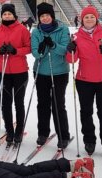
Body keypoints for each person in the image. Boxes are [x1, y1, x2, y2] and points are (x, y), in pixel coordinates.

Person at [65, 6, 102, 157]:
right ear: (82, 20)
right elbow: (71, 60)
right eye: (86, 17)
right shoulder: (76, 37)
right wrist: (71, 50)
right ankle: (89, 140)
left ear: (96, 19)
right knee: (86, 112)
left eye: (92, 17)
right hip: (84, 80)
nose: (89, 19)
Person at [31, 2, 72, 149]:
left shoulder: (63, 29)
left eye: (47, 15)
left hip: (59, 72)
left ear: (52, 16)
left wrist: (53, 45)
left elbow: (64, 51)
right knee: (42, 104)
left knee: (58, 104)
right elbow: (36, 53)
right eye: (42, 16)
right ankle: (43, 133)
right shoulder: (36, 32)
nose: (45, 18)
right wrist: (42, 48)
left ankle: (63, 135)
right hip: (41, 72)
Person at [0, 3, 31, 147]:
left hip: (20, 71)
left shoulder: (22, 29)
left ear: (14, 15)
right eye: (4, 14)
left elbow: (29, 48)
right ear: (1, 16)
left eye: (9, 14)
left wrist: (15, 51)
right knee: (6, 104)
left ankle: (19, 131)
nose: (7, 16)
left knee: (19, 103)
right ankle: (10, 131)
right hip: (3, 71)